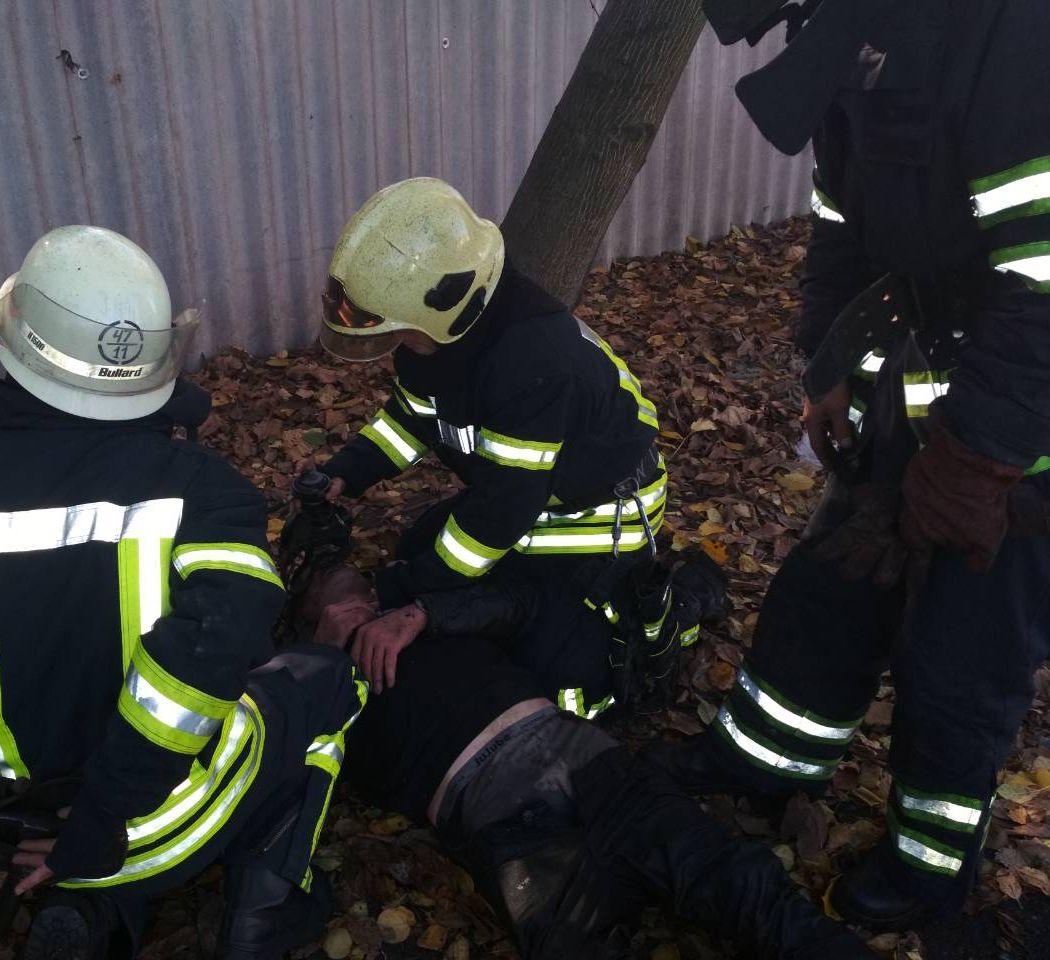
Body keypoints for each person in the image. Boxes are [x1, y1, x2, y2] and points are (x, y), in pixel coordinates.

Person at [0, 225, 366, 960]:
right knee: (330, 680)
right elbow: (213, 655)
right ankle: (267, 916)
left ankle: (100, 914)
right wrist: (100, 817)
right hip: (150, 821)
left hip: (16, 824)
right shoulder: (210, 496)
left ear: (7, 341)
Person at [648, 0, 1050, 931]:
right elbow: (841, 213)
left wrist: (973, 463)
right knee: (827, 594)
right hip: (919, 386)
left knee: (959, 656)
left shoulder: (1013, 32)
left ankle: (928, 867)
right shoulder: (852, 27)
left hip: (1020, 437)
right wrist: (828, 360)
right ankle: (768, 761)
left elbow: (1043, 280)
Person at [289, 560, 874, 960]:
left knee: (739, 881)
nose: (356, 601)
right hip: (507, 824)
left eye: (360, 586)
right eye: (330, 594)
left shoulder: (423, 607)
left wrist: (422, 614)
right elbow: (281, 761)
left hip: (588, 764)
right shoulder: (311, 680)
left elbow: (522, 603)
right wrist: (320, 654)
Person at [310, 176, 668, 712]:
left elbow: (499, 516)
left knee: (548, 660)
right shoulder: (433, 340)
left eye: (393, 330)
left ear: (445, 303)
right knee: (420, 551)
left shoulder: (534, 366)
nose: (388, 345)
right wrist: (347, 472)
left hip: (591, 516)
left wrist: (397, 593)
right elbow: (412, 419)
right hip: (527, 493)